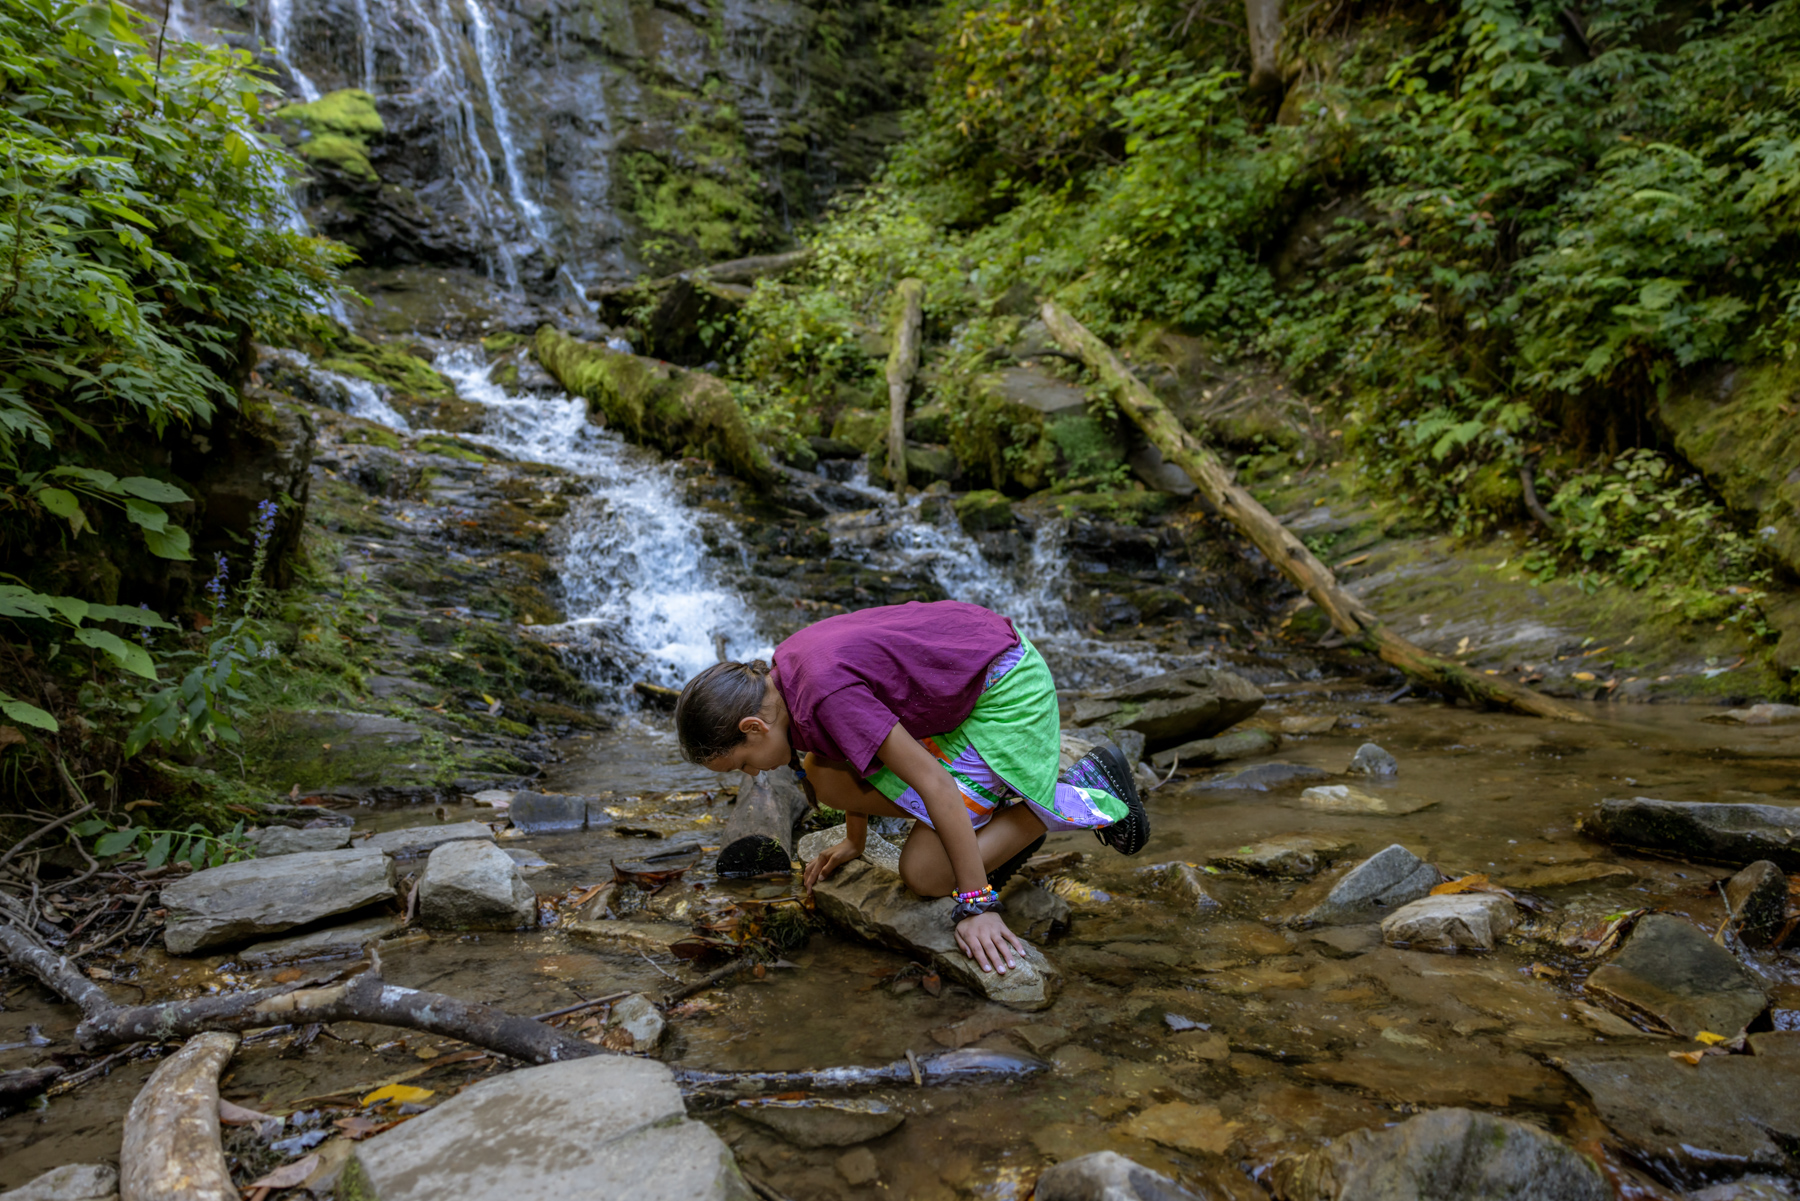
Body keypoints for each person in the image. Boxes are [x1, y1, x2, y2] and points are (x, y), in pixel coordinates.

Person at [674, 600, 1148, 977]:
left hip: (1005, 691)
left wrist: (976, 904)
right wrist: (855, 842)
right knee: (820, 775)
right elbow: (838, 751)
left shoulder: (825, 695)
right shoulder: (785, 677)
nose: (753, 775)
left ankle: (1071, 797)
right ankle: (994, 801)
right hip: (962, 680)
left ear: (754, 727)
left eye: (742, 764)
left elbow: (934, 783)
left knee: (926, 874)